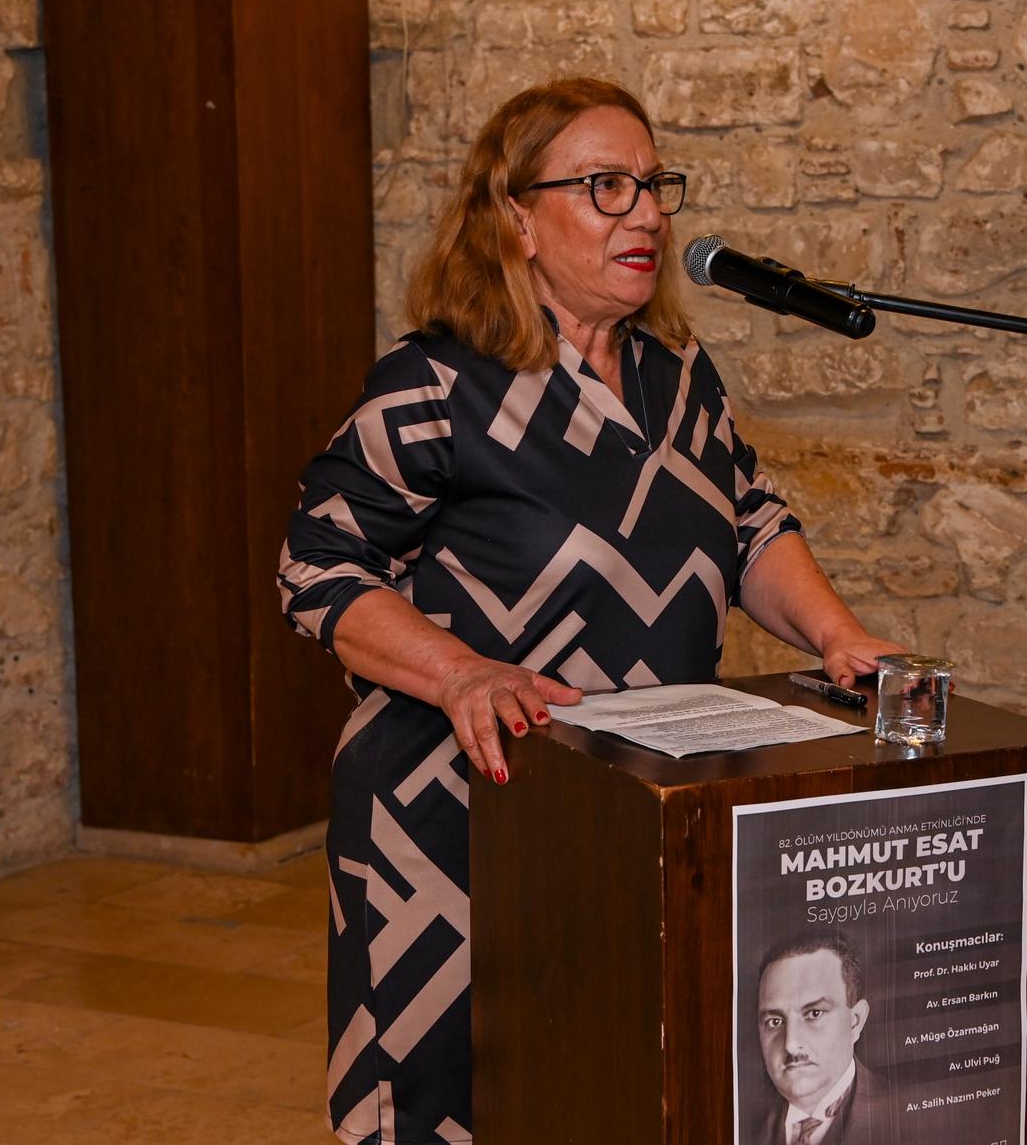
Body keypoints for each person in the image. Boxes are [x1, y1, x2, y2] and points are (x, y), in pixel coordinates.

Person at [279, 76, 904, 1144]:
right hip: (458, 824)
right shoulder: (435, 384)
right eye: (605, 186)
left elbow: (749, 523)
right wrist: (461, 670)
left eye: (653, 185)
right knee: (459, 1102)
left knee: (614, 1087)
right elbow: (318, 564)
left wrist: (838, 634)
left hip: (635, 813)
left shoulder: (677, 375)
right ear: (516, 218)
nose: (646, 213)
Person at [753, 932, 901, 1145]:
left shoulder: (908, 1116)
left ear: (855, 1022)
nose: (791, 1044)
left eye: (814, 1013)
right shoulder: (745, 1127)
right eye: (775, 1021)